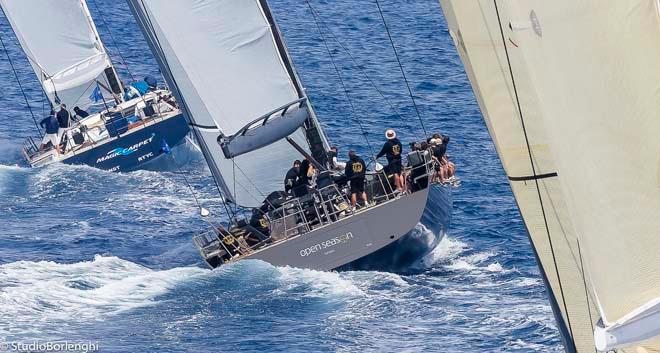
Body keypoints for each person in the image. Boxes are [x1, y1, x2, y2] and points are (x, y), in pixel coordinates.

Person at [376, 129, 405, 193]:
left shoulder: (387, 144)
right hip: (399, 159)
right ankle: (403, 186)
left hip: (392, 161)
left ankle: (398, 187)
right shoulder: (398, 141)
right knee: (399, 172)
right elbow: (401, 150)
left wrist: (377, 156)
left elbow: (382, 152)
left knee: (395, 173)